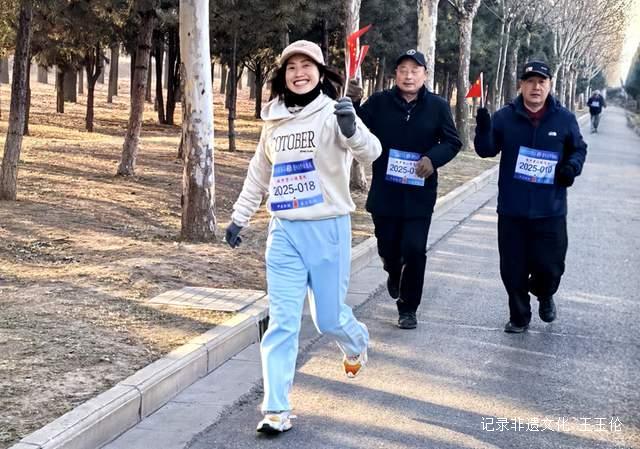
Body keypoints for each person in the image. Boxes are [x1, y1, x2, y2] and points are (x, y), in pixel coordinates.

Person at [224, 40, 382, 434]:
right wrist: (239, 217)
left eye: (306, 65)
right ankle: (276, 409)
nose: (299, 73)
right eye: (291, 66)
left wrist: (352, 129)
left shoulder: (334, 112)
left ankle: (356, 341)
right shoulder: (273, 121)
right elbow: (260, 173)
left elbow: (372, 153)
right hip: (284, 233)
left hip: (328, 229)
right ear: (282, 75)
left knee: (327, 318)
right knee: (282, 322)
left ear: (320, 71)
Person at [350, 49, 461, 330]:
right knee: (389, 249)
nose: (408, 75)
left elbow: (452, 141)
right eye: (403, 70)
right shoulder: (379, 102)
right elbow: (356, 133)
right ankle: (392, 272)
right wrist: (352, 102)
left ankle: (408, 308)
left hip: (419, 195)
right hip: (385, 194)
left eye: (415, 70)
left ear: (424, 75)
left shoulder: (437, 106)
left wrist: (432, 159)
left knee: (414, 250)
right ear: (395, 74)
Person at [474, 60, 587, 333]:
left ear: (549, 85)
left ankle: (545, 294)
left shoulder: (564, 119)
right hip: (512, 210)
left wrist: (571, 167)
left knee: (550, 268)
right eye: (530, 81)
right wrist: (482, 128)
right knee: (512, 269)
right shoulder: (505, 117)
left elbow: (578, 149)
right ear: (521, 85)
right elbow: (486, 150)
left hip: (551, 210)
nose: (536, 87)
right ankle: (519, 316)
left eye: (541, 82)